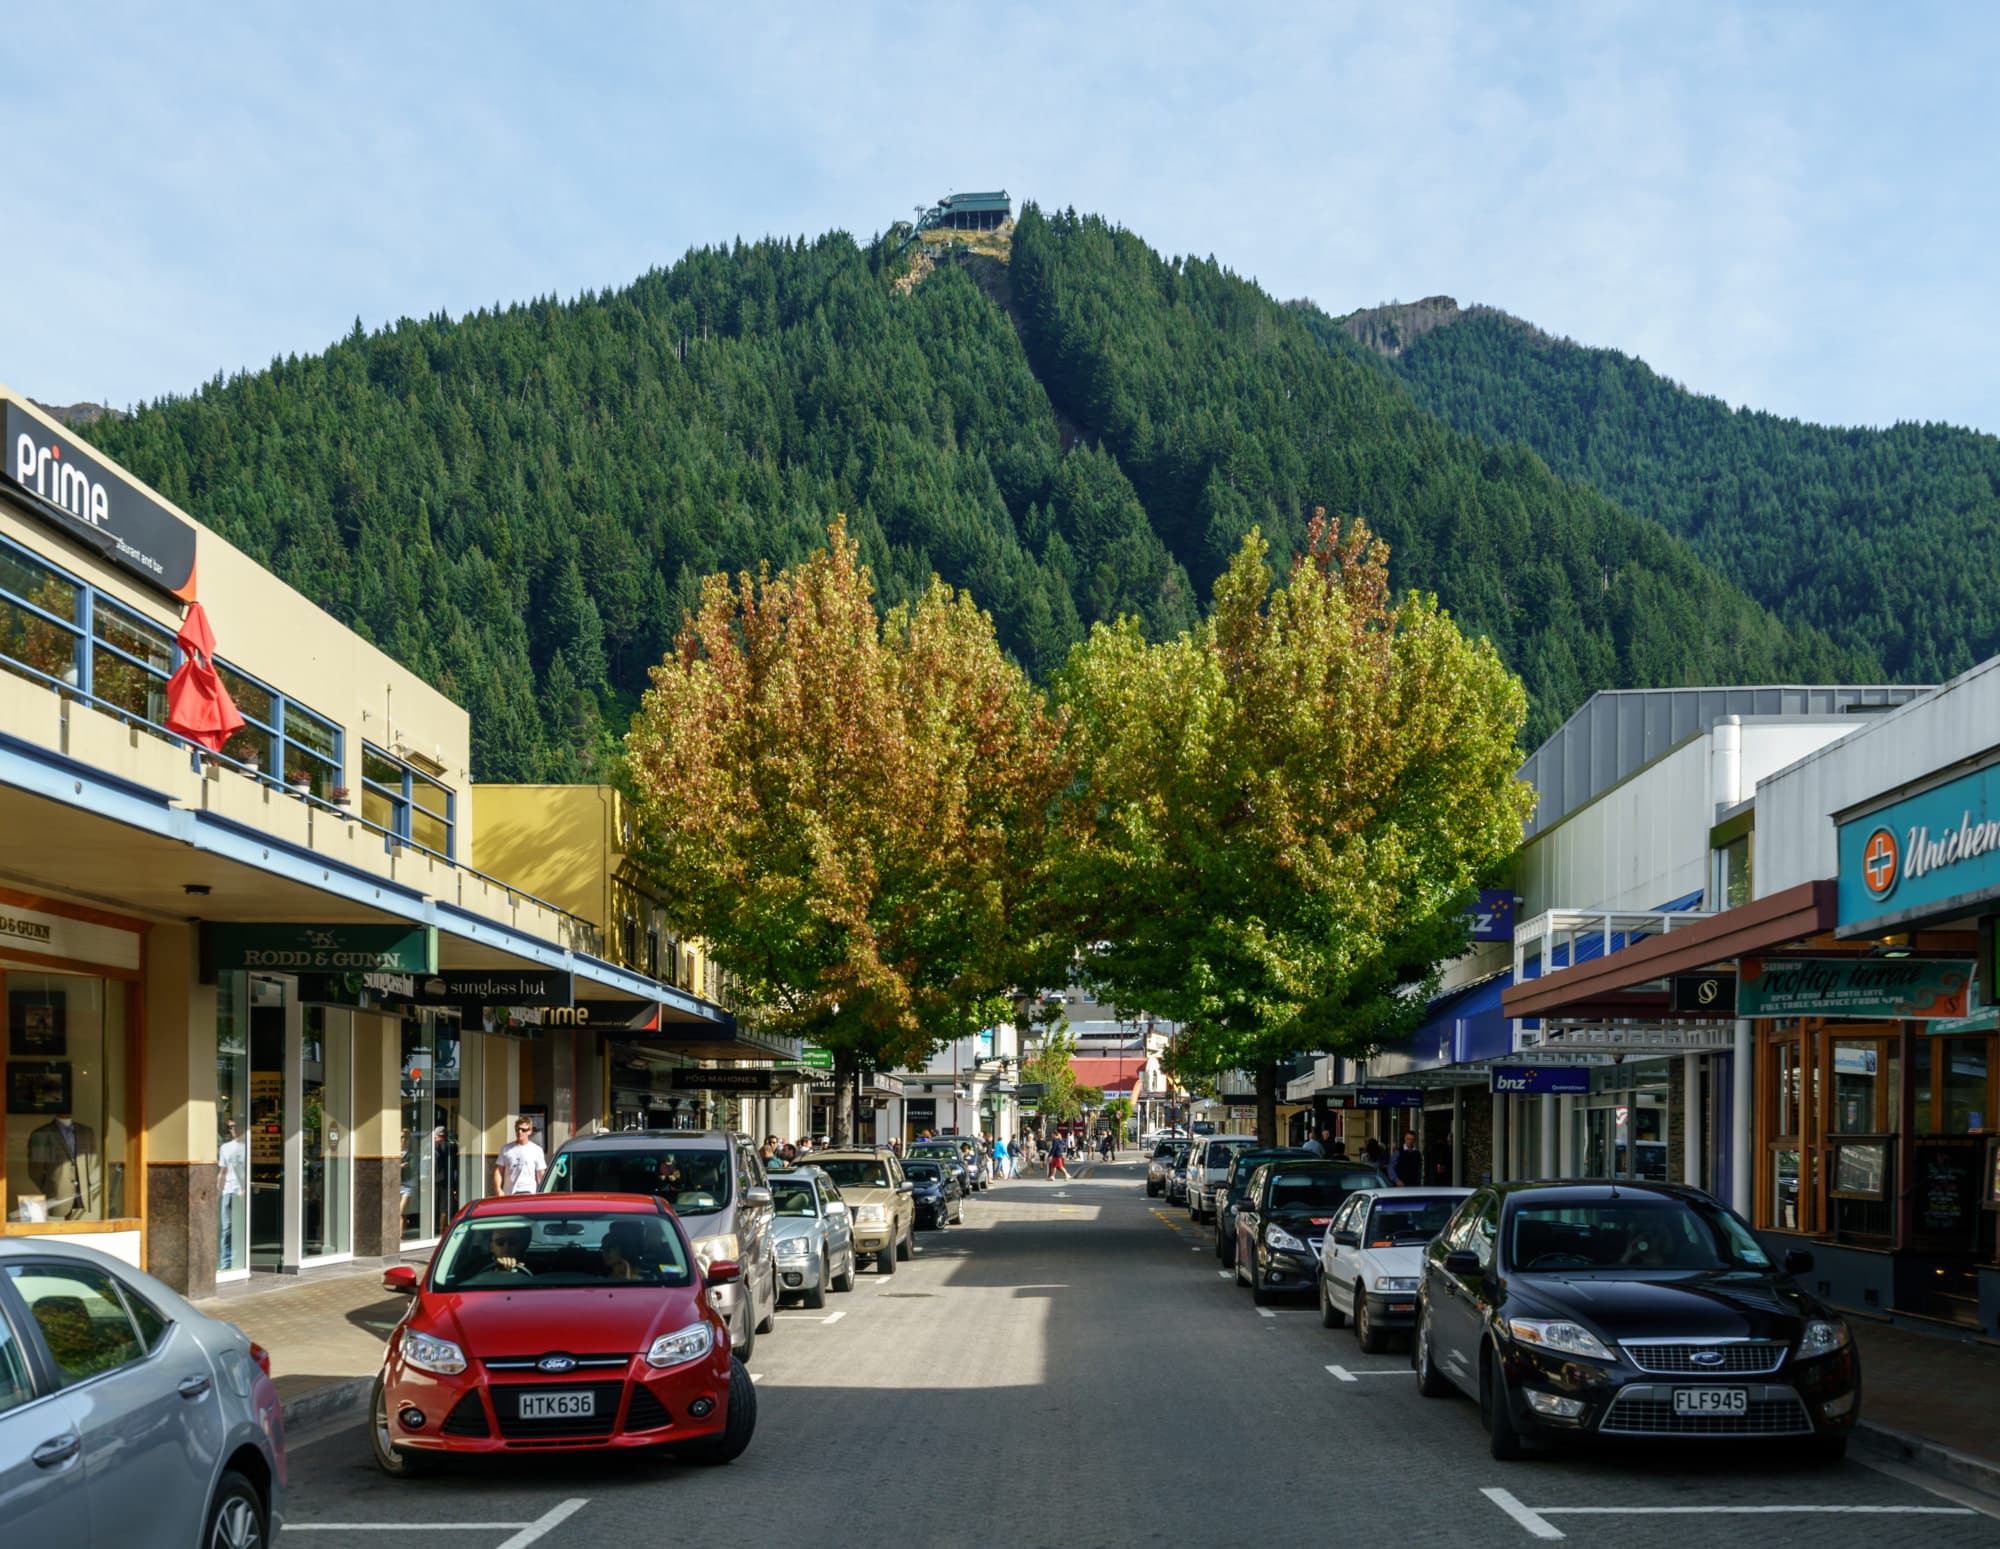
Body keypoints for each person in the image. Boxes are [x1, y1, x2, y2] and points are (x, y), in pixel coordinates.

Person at [217, 1119, 246, 1268]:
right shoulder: (225, 1147)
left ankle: (239, 1260)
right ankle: (225, 1263)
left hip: (241, 1192)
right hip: (228, 1191)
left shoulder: (247, 1147)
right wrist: (218, 1190)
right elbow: (223, 1171)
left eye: (235, 1126)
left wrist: (245, 1189)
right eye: (230, 1127)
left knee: (240, 1228)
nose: (233, 1129)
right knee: (226, 1228)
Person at [493, 1118, 547, 1196]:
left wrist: (543, 1195)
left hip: (529, 1194)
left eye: (523, 1130)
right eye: (517, 1129)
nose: (519, 1132)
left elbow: (541, 1175)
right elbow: (498, 1171)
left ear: (529, 1131)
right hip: (510, 1195)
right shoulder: (506, 1149)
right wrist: (498, 1189)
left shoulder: (537, 1150)